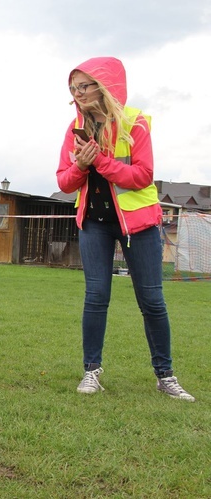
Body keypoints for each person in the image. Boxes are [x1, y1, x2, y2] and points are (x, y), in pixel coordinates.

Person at [56, 57, 194, 401]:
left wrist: (98, 160)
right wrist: (82, 166)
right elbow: (64, 181)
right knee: (96, 297)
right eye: (73, 88)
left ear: (105, 85)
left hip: (140, 226)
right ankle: (91, 373)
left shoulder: (136, 123)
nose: (77, 94)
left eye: (84, 86)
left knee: (151, 301)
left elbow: (142, 177)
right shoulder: (73, 128)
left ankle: (165, 376)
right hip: (94, 224)